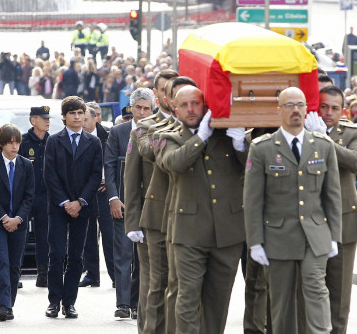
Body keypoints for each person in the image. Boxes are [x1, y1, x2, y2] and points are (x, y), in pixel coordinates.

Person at [246, 86, 342, 333]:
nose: (296, 110)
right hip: (279, 237)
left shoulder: (323, 145)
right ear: (279, 110)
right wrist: (255, 242)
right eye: (289, 105)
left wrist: (334, 236)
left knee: (316, 288)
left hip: (315, 235)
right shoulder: (262, 148)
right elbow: (254, 200)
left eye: (300, 105)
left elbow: (332, 195)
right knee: (282, 301)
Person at [157, 85, 249, 334]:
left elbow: (254, 166)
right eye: (184, 105)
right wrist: (201, 138)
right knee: (186, 299)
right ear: (174, 109)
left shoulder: (227, 135)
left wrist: (241, 144)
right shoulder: (169, 136)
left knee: (218, 301)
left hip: (227, 233)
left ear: (205, 105)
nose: (190, 109)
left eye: (195, 103)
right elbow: (173, 163)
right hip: (189, 233)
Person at [128, 70, 179, 333]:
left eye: (175, 89)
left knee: (179, 286)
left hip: (184, 218)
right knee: (152, 286)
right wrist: (133, 222)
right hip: (153, 218)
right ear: (157, 95)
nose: (170, 95)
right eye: (164, 90)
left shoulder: (194, 123)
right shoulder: (144, 128)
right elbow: (132, 177)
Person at [43, 96, 102, 318]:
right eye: (73, 113)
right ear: (65, 116)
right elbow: (50, 174)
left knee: (76, 257)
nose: (77, 117)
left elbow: (96, 175)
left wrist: (80, 201)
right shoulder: (54, 141)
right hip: (59, 207)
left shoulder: (93, 142)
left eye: (80, 113)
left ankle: (69, 302)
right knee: (57, 254)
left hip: (83, 207)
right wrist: (66, 202)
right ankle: (54, 301)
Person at [317, 85, 357, 334]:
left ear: (342, 110)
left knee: (338, 295)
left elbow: (356, 161)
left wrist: (325, 140)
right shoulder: (301, 130)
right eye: (323, 106)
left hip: (344, 221)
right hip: (309, 221)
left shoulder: (353, 132)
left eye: (334, 108)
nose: (328, 112)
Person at [105, 91, 152, 318]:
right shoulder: (118, 132)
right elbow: (110, 166)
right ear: (131, 107)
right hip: (122, 203)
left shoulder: (157, 131)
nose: (142, 112)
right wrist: (113, 198)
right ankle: (123, 303)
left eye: (147, 108)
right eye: (138, 107)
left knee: (144, 257)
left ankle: (136, 302)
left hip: (148, 205)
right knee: (123, 255)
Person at [0, 124, 35, 321]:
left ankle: (9, 303)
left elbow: (29, 196)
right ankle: (3, 305)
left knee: (14, 264)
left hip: (19, 222)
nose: (14, 147)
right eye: (10, 143)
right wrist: (4, 218)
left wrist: (18, 218)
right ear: (1, 144)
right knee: (1, 261)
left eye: (17, 142)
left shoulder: (26, 165)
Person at [80, 104, 115, 288]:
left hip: (105, 191)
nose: (82, 123)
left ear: (95, 119)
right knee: (89, 235)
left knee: (109, 235)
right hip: (86, 192)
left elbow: (114, 163)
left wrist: (109, 183)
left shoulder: (108, 136)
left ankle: (116, 276)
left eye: (85, 119)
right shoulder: (78, 138)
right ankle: (92, 275)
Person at [19, 106, 52, 288]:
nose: (47, 121)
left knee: (44, 237)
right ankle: (16, 273)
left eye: (48, 118)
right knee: (20, 236)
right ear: (33, 120)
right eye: (43, 118)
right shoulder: (23, 141)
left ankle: (43, 274)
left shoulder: (53, 141)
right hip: (25, 197)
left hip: (45, 196)